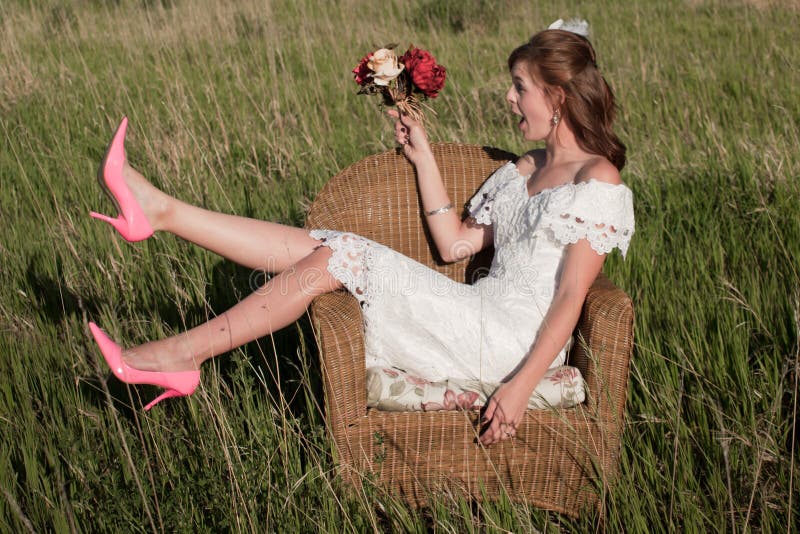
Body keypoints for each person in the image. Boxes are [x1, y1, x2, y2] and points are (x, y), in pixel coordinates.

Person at [87, 21, 634, 446]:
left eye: (521, 88)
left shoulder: (596, 179)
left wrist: (518, 389)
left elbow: (569, 297)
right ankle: (162, 214)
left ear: (558, 97)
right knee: (328, 248)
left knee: (338, 255)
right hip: (477, 314)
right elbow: (454, 244)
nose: (510, 99)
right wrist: (422, 157)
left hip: (514, 345)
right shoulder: (524, 169)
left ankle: (185, 348)